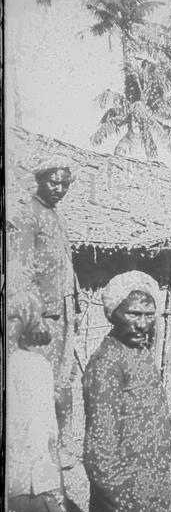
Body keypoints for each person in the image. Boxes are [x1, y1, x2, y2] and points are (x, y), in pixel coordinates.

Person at [82, 271, 171, 512]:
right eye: (133, 314)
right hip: (128, 505)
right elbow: (100, 448)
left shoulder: (140, 352)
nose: (142, 324)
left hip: (155, 492)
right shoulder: (106, 364)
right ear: (113, 314)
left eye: (148, 315)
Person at [8, 165, 80, 465]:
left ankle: (64, 444)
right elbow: (21, 270)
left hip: (62, 312)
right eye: (54, 182)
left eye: (65, 184)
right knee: (40, 380)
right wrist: (34, 317)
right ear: (39, 181)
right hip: (43, 316)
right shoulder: (28, 216)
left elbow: (65, 266)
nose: (60, 189)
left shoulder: (57, 217)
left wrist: (74, 305)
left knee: (64, 381)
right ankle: (40, 449)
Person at [6, 262, 66, 512]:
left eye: (12, 318)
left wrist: (57, 497)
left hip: (28, 494)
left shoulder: (35, 368)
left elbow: (48, 438)